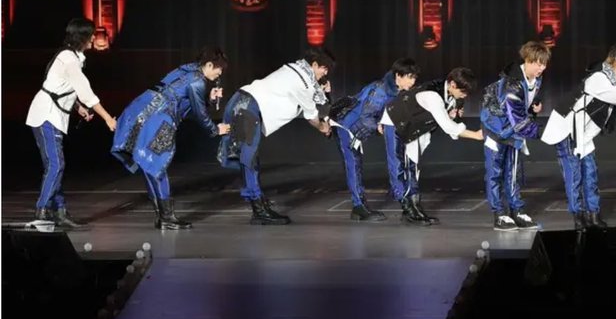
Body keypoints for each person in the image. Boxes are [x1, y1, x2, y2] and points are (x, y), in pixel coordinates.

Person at [541, 42, 616, 230]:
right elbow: (614, 96)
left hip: (584, 135)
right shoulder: (598, 78)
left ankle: (593, 215)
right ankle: (578, 216)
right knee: (574, 176)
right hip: (568, 130)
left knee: (590, 174)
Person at [111, 47, 230, 229]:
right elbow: (199, 113)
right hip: (158, 118)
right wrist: (215, 129)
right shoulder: (197, 82)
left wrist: (209, 99)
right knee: (157, 164)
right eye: (219, 69)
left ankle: (162, 216)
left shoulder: (185, 70)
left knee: (149, 164)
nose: (220, 73)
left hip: (142, 108)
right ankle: (167, 217)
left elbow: (181, 99)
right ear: (209, 65)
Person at [217, 47, 335, 225]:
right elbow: (312, 116)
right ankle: (259, 210)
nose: (325, 73)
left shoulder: (295, 69)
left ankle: (258, 201)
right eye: (324, 68)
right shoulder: (304, 83)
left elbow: (311, 103)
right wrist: (323, 128)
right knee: (249, 160)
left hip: (241, 102)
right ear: (314, 64)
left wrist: (322, 92)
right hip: (247, 108)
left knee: (249, 159)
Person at [26, 18, 117, 229]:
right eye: (91, 34)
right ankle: (42, 209)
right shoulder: (69, 59)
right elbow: (87, 93)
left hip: (54, 115)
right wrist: (107, 118)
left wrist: (77, 107)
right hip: (46, 115)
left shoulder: (73, 57)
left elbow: (62, 85)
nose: (94, 37)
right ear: (82, 37)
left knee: (55, 165)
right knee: (56, 164)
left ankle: (59, 211)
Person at [381, 67, 484, 226]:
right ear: (452, 85)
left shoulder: (452, 95)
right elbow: (448, 127)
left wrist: (454, 113)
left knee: (413, 166)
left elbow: (449, 121)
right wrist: (476, 135)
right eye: (463, 91)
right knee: (399, 166)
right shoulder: (433, 95)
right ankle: (408, 208)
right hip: (395, 121)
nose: (465, 96)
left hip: (415, 126)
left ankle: (415, 207)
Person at [329, 58, 420, 221]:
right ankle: (359, 208)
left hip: (355, 128)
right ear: (398, 76)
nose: (413, 82)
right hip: (346, 127)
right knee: (353, 164)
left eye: (414, 78)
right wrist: (378, 126)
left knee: (355, 163)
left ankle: (361, 206)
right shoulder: (380, 91)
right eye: (410, 77)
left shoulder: (396, 90)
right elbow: (365, 115)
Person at [480, 41, 551, 231]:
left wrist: (534, 106)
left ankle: (516, 211)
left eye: (544, 64)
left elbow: (526, 102)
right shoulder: (511, 84)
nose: (541, 68)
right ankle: (499, 214)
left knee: (513, 172)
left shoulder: (536, 78)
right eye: (537, 64)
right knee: (495, 172)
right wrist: (544, 132)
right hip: (495, 128)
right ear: (527, 60)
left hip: (513, 130)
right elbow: (517, 119)